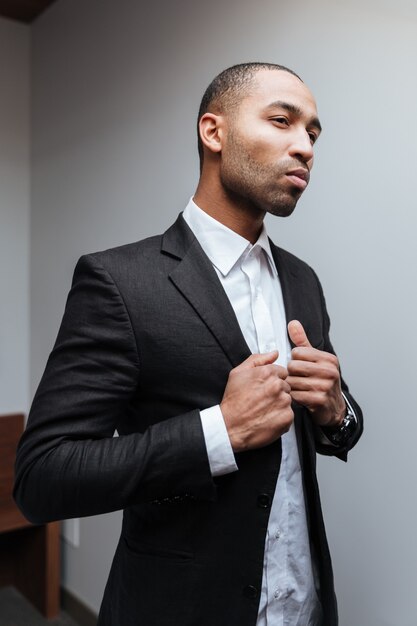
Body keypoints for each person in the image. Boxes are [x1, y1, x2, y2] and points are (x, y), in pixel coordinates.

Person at [14, 62, 363, 626]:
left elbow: (339, 424)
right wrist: (219, 431)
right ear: (213, 132)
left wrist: (335, 411)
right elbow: (42, 478)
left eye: (313, 134)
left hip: (304, 607)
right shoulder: (119, 282)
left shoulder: (304, 281)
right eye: (282, 121)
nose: (305, 147)